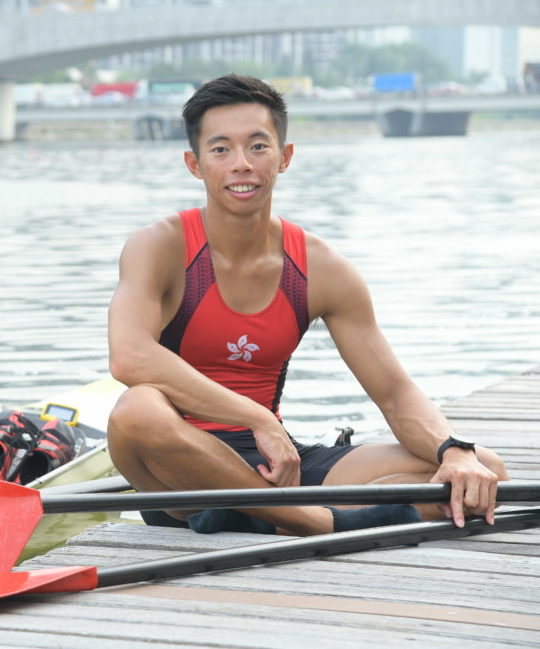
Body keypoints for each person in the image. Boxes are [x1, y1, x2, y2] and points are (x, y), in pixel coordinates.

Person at [106, 74, 507, 536]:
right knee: (136, 409)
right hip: (176, 471)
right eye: (220, 150)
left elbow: (396, 395)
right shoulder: (159, 247)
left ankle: (261, 517)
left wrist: (453, 450)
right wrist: (256, 417)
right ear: (194, 164)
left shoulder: (322, 268)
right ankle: (315, 523)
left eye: (258, 147)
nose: (241, 164)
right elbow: (130, 356)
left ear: (285, 157)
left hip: (279, 464)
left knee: (482, 472)